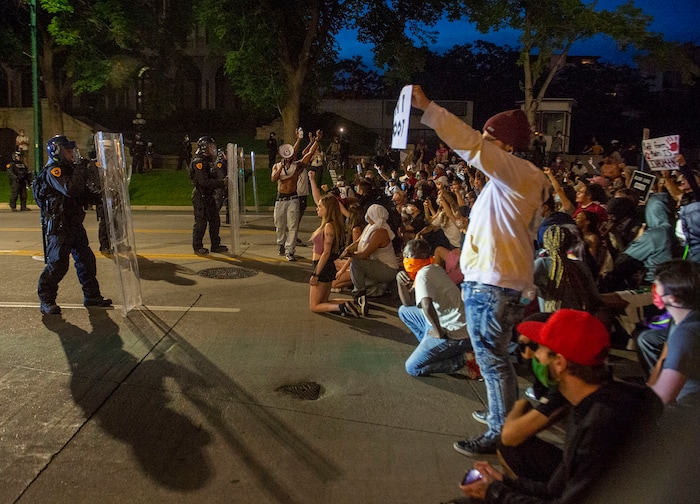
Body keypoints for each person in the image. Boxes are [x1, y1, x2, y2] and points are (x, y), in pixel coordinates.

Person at [411, 85, 549, 455]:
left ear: (508, 147)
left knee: (492, 360)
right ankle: (501, 415)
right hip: (495, 281)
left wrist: (428, 107)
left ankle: (501, 432)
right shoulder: (512, 180)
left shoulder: (518, 173)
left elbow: (470, 144)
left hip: (493, 285)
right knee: (495, 358)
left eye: (490, 141)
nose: (482, 148)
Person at [459, 309, 663, 503]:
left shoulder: (601, 424)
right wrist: (502, 483)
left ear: (559, 363)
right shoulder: (589, 404)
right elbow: (555, 489)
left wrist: (495, 493)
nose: (535, 356)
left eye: (541, 349)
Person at [34, 135, 112, 315]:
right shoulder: (54, 171)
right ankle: (46, 300)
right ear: (57, 152)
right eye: (68, 152)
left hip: (75, 224)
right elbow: (70, 189)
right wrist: (81, 169)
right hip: (60, 227)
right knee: (58, 265)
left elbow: (81, 194)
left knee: (86, 262)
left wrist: (102, 196)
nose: (72, 155)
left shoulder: (70, 170)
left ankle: (92, 296)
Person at [396, 239, 472, 376]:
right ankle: (432, 350)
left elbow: (426, 306)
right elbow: (408, 303)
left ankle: (463, 360)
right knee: (404, 311)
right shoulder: (433, 268)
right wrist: (399, 281)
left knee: (412, 368)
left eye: (408, 255)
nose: (405, 259)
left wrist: (439, 333)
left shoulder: (423, 275)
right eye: (405, 256)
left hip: (452, 333)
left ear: (420, 256)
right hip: (448, 322)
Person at [647, 260, 700, 409]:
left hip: (691, 412)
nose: (654, 292)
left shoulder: (685, 334)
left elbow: (663, 396)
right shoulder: (691, 322)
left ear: (673, 298)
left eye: (657, 287)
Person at [306, 172, 358, 317]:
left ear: (327, 209)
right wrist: (312, 180)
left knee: (315, 306)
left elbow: (326, 252)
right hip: (325, 266)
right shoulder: (331, 225)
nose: (317, 209)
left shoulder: (329, 226)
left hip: (322, 265)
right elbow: (318, 199)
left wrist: (316, 273)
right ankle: (353, 303)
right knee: (323, 301)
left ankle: (341, 307)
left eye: (320, 207)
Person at [272, 130, 322, 261]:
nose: (289, 157)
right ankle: (281, 244)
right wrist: (282, 167)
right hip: (280, 199)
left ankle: (290, 250)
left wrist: (316, 141)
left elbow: (309, 154)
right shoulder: (277, 166)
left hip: (293, 198)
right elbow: (273, 178)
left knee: (293, 225)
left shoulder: (297, 166)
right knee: (279, 224)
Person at [344, 204, 400, 315]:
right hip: (375, 264)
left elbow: (364, 254)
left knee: (356, 263)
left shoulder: (380, 232)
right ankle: (369, 289)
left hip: (387, 269)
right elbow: (357, 243)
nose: (367, 217)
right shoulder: (369, 228)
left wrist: (350, 255)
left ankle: (359, 295)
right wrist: (346, 251)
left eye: (369, 214)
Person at [189, 136, 228, 255]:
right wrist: (222, 183)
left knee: (215, 221)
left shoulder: (207, 161)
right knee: (201, 222)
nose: (213, 149)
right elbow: (204, 182)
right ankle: (197, 247)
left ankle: (215, 245)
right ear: (204, 148)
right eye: (211, 147)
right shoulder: (199, 162)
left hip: (208, 195)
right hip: (200, 196)